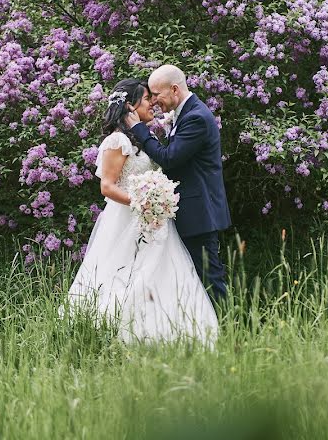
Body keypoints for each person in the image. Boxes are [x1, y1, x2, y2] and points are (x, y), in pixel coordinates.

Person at [65, 78, 218, 344]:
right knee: (123, 275)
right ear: (131, 106)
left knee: (164, 273)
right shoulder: (117, 141)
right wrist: (141, 203)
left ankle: (170, 333)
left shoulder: (142, 138)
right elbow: (107, 187)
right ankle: (114, 335)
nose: (153, 103)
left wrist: (155, 201)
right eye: (147, 99)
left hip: (155, 221)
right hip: (130, 219)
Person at [125, 64, 231, 301]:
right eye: (149, 96)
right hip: (193, 211)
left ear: (174, 89)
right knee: (196, 277)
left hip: (199, 213)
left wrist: (140, 130)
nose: (152, 102)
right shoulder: (186, 113)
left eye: (156, 94)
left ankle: (229, 331)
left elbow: (169, 158)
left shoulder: (196, 118)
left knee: (210, 278)